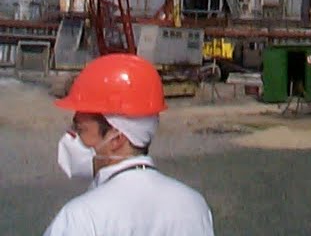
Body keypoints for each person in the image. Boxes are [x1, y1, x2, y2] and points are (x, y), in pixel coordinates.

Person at [43, 52, 215, 236]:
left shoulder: (81, 218)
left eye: (80, 129)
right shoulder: (194, 207)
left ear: (116, 138)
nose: (71, 138)